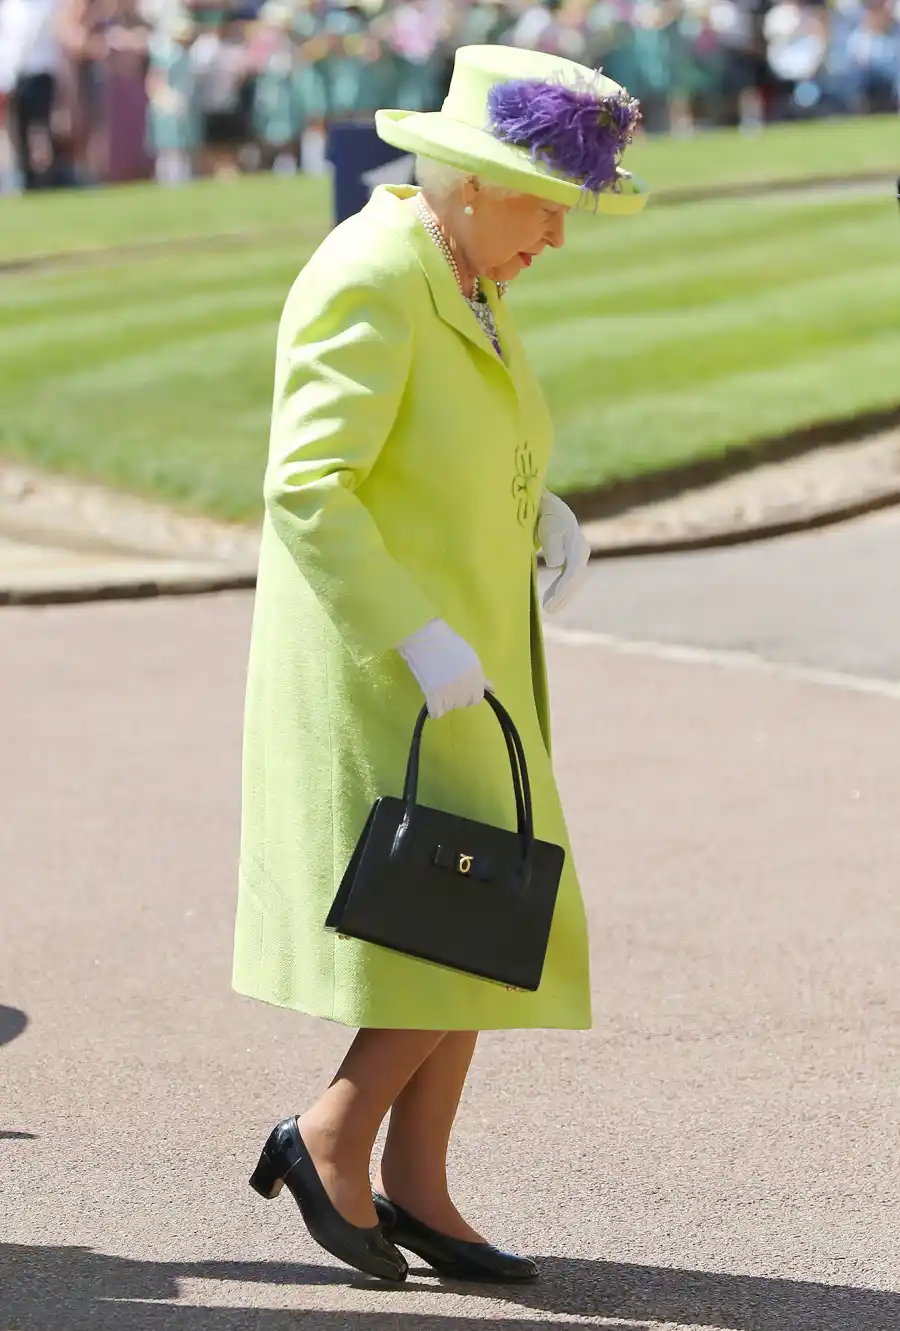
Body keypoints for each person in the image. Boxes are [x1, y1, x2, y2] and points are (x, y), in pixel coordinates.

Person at [232, 43, 647, 1285]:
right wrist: (413, 632)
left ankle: (416, 1180)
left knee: (483, 906)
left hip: (464, 650)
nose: (558, 236)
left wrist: (534, 508)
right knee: (462, 915)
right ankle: (329, 1134)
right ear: (470, 182)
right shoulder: (374, 269)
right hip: (393, 659)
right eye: (547, 207)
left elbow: (446, 438)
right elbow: (310, 484)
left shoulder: (463, 270)